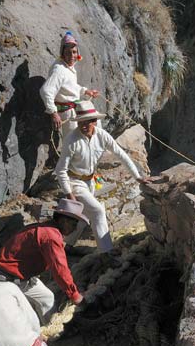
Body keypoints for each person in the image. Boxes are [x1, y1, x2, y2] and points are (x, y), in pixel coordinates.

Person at [55, 100, 150, 252]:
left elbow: (121, 155)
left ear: (94, 121)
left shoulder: (102, 136)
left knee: (84, 215)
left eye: (87, 122)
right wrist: (69, 193)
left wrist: (137, 177)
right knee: (98, 210)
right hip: (75, 182)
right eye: (80, 122)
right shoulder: (71, 140)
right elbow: (60, 170)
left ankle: (66, 246)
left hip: (89, 181)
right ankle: (107, 252)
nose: (84, 126)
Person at [0, 198, 89, 324]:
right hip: (6, 278)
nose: (75, 229)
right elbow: (60, 269)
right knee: (14, 316)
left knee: (46, 299)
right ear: (64, 221)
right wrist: (75, 295)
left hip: (20, 277)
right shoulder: (51, 236)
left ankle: (52, 330)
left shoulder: (44, 228)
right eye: (73, 224)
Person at [40, 31, 101, 140]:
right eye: (68, 52)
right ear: (62, 53)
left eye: (74, 52)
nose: (72, 56)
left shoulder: (68, 67)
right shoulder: (59, 70)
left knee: (89, 130)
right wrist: (53, 113)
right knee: (73, 142)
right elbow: (46, 91)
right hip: (67, 113)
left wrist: (85, 91)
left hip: (74, 109)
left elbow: (69, 85)